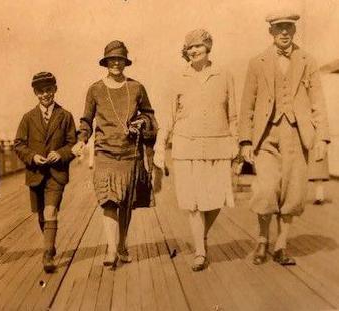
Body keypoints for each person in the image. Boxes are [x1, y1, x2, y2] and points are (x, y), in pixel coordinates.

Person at [238, 12, 330, 266]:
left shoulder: (307, 60)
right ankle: (262, 240)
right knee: (266, 189)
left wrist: (321, 137)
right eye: (279, 28)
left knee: (293, 190)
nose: (284, 32)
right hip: (266, 135)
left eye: (289, 27)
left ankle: (281, 245)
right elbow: (247, 103)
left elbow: (318, 102)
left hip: (297, 134)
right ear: (271, 32)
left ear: (294, 30)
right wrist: (245, 140)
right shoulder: (257, 62)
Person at [154, 29, 237, 271]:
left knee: (218, 198)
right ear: (185, 52)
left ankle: (201, 237)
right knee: (193, 202)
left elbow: (233, 114)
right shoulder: (177, 78)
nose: (194, 51)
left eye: (199, 46)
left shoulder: (224, 75)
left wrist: (236, 142)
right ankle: (200, 251)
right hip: (186, 146)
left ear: (208, 47)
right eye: (190, 48)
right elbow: (167, 117)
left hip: (218, 145)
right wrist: (160, 148)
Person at [72, 40, 156, 268]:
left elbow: (150, 116)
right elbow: (86, 120)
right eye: (112, 59)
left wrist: (141, 122)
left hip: (130, 154)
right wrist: (81, 140)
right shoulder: (95, 89)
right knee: (109, 201)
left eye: (120, 59)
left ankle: (122, 244)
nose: (116, 63)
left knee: (126, 203)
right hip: (104, 153)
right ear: (106, 62)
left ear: (125, 62)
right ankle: (111, 249)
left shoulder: (137, 87)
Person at [14, 72, 77, 273]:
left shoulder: (65, 116)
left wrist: (61, 153)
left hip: (56, 174)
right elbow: (19, 144)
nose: (45, 94)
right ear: (35, 93)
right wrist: (32, 157)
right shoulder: (27, 118)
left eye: (49, 89)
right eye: (41, 91)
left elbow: (72, 143)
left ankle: (48, 254)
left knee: (51, 211)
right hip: (35, 174)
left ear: (55, 89)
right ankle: (50, 243)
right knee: (42, 215)